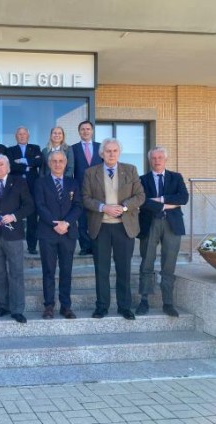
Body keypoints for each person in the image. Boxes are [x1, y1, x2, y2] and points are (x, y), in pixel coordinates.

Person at [82, 138, 145, 320]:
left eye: (114, 151)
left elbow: (140, 196)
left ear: (119, 152)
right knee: (101, 269)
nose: (111, 154)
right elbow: (85, 198)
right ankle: (102, 306)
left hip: (124, 227)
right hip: (100, 227)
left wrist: (124, 207)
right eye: (108, 151)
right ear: (101, 153)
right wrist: (103, 207)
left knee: (123, 269)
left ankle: (124, 307)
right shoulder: (90, 172)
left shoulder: (130, 170)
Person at [0, 155, 33, 323]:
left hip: (13, 235)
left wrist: (14, 216)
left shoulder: (19, 182)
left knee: (16, 272)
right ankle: (3, 306)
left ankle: (17, 309)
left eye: (2, 164)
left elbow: (29, 206)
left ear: (8, 167)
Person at [137, 147, 189, 317]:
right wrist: (168, 203)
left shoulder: (176, 177)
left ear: (165, 159)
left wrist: (160, 200)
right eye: (153, 158)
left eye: (160, 157)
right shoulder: (142, 180)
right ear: (149, 160)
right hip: (150, 223)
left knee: (169, 264)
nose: (157, 160)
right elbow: (142, 201)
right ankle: (144, 300)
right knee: (147, 262)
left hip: (172, 224)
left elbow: (183, 198)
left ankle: (167, 302)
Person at [35, 150, 83, 319]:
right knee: (48, 271)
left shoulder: (73, 183)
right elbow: (40, 206)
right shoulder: (40, 183)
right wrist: (55, 224)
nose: (57, 164)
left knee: (66, 271)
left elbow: (78, 206)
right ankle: (49, 306)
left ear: (65, 163)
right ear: (49, 163)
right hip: (48, 233)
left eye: (61, 161)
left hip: (68, 233)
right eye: (54, 161)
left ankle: (65, 306)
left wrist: (66, 223)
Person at [6, 126, 43, 255]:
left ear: (28, 136)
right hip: (15, 187)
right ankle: (12, 245)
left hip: (32, 187)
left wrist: (22, 161)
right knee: (14, 215)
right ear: (16, 136)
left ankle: (31, 246)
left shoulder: (36, 148)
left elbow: (40, 162)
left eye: (24, 134)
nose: (22, 136)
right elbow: (10, 166)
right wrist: (28, 166)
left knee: (32, 217)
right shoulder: (10, 150)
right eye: (19, 134)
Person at [72, 120, 102, 255]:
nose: (85, 131)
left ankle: (97, 245)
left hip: (98, 188)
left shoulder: (100, 147)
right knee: (82, 219)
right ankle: (85, 246)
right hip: (80, 188)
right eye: (83, 129)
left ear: (92, 131)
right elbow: (71, 169)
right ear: (79, 132)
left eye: (88, 129)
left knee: (97, 218)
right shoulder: (73, 149)